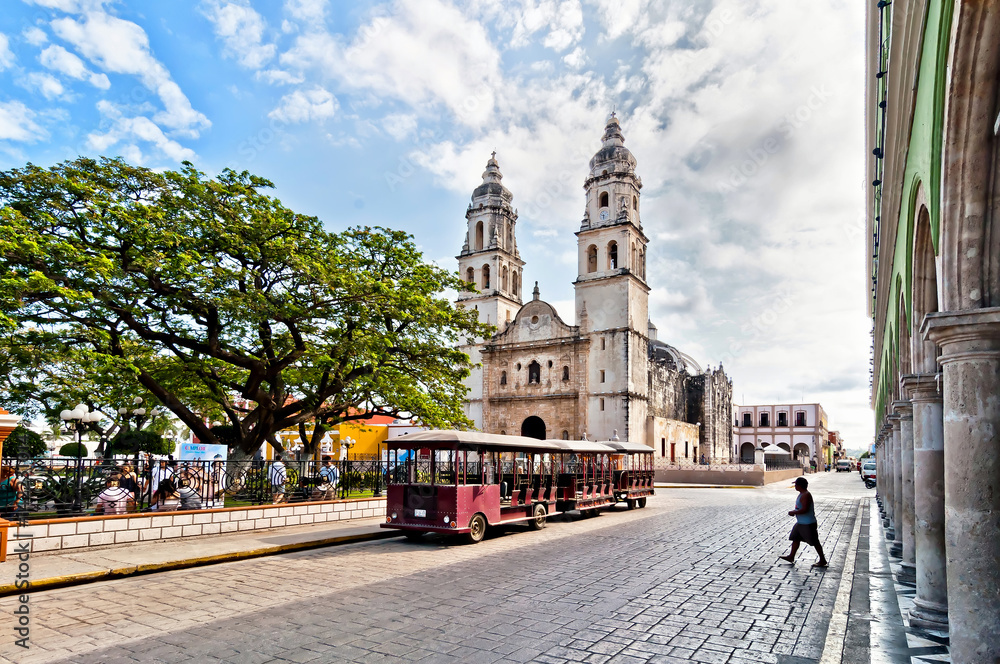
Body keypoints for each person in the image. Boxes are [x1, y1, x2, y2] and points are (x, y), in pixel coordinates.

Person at [779, 477, 828, 568]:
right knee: (795, 538)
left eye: (796, 484)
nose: (795, 486)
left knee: (815, 541)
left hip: (808, 523)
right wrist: (795, 511)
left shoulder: (806, 495)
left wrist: (794, 512)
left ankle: (822, 560)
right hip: (801, 523)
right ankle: (791, 556)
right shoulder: (801, 494)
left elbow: (805, 509)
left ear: (800, 486)